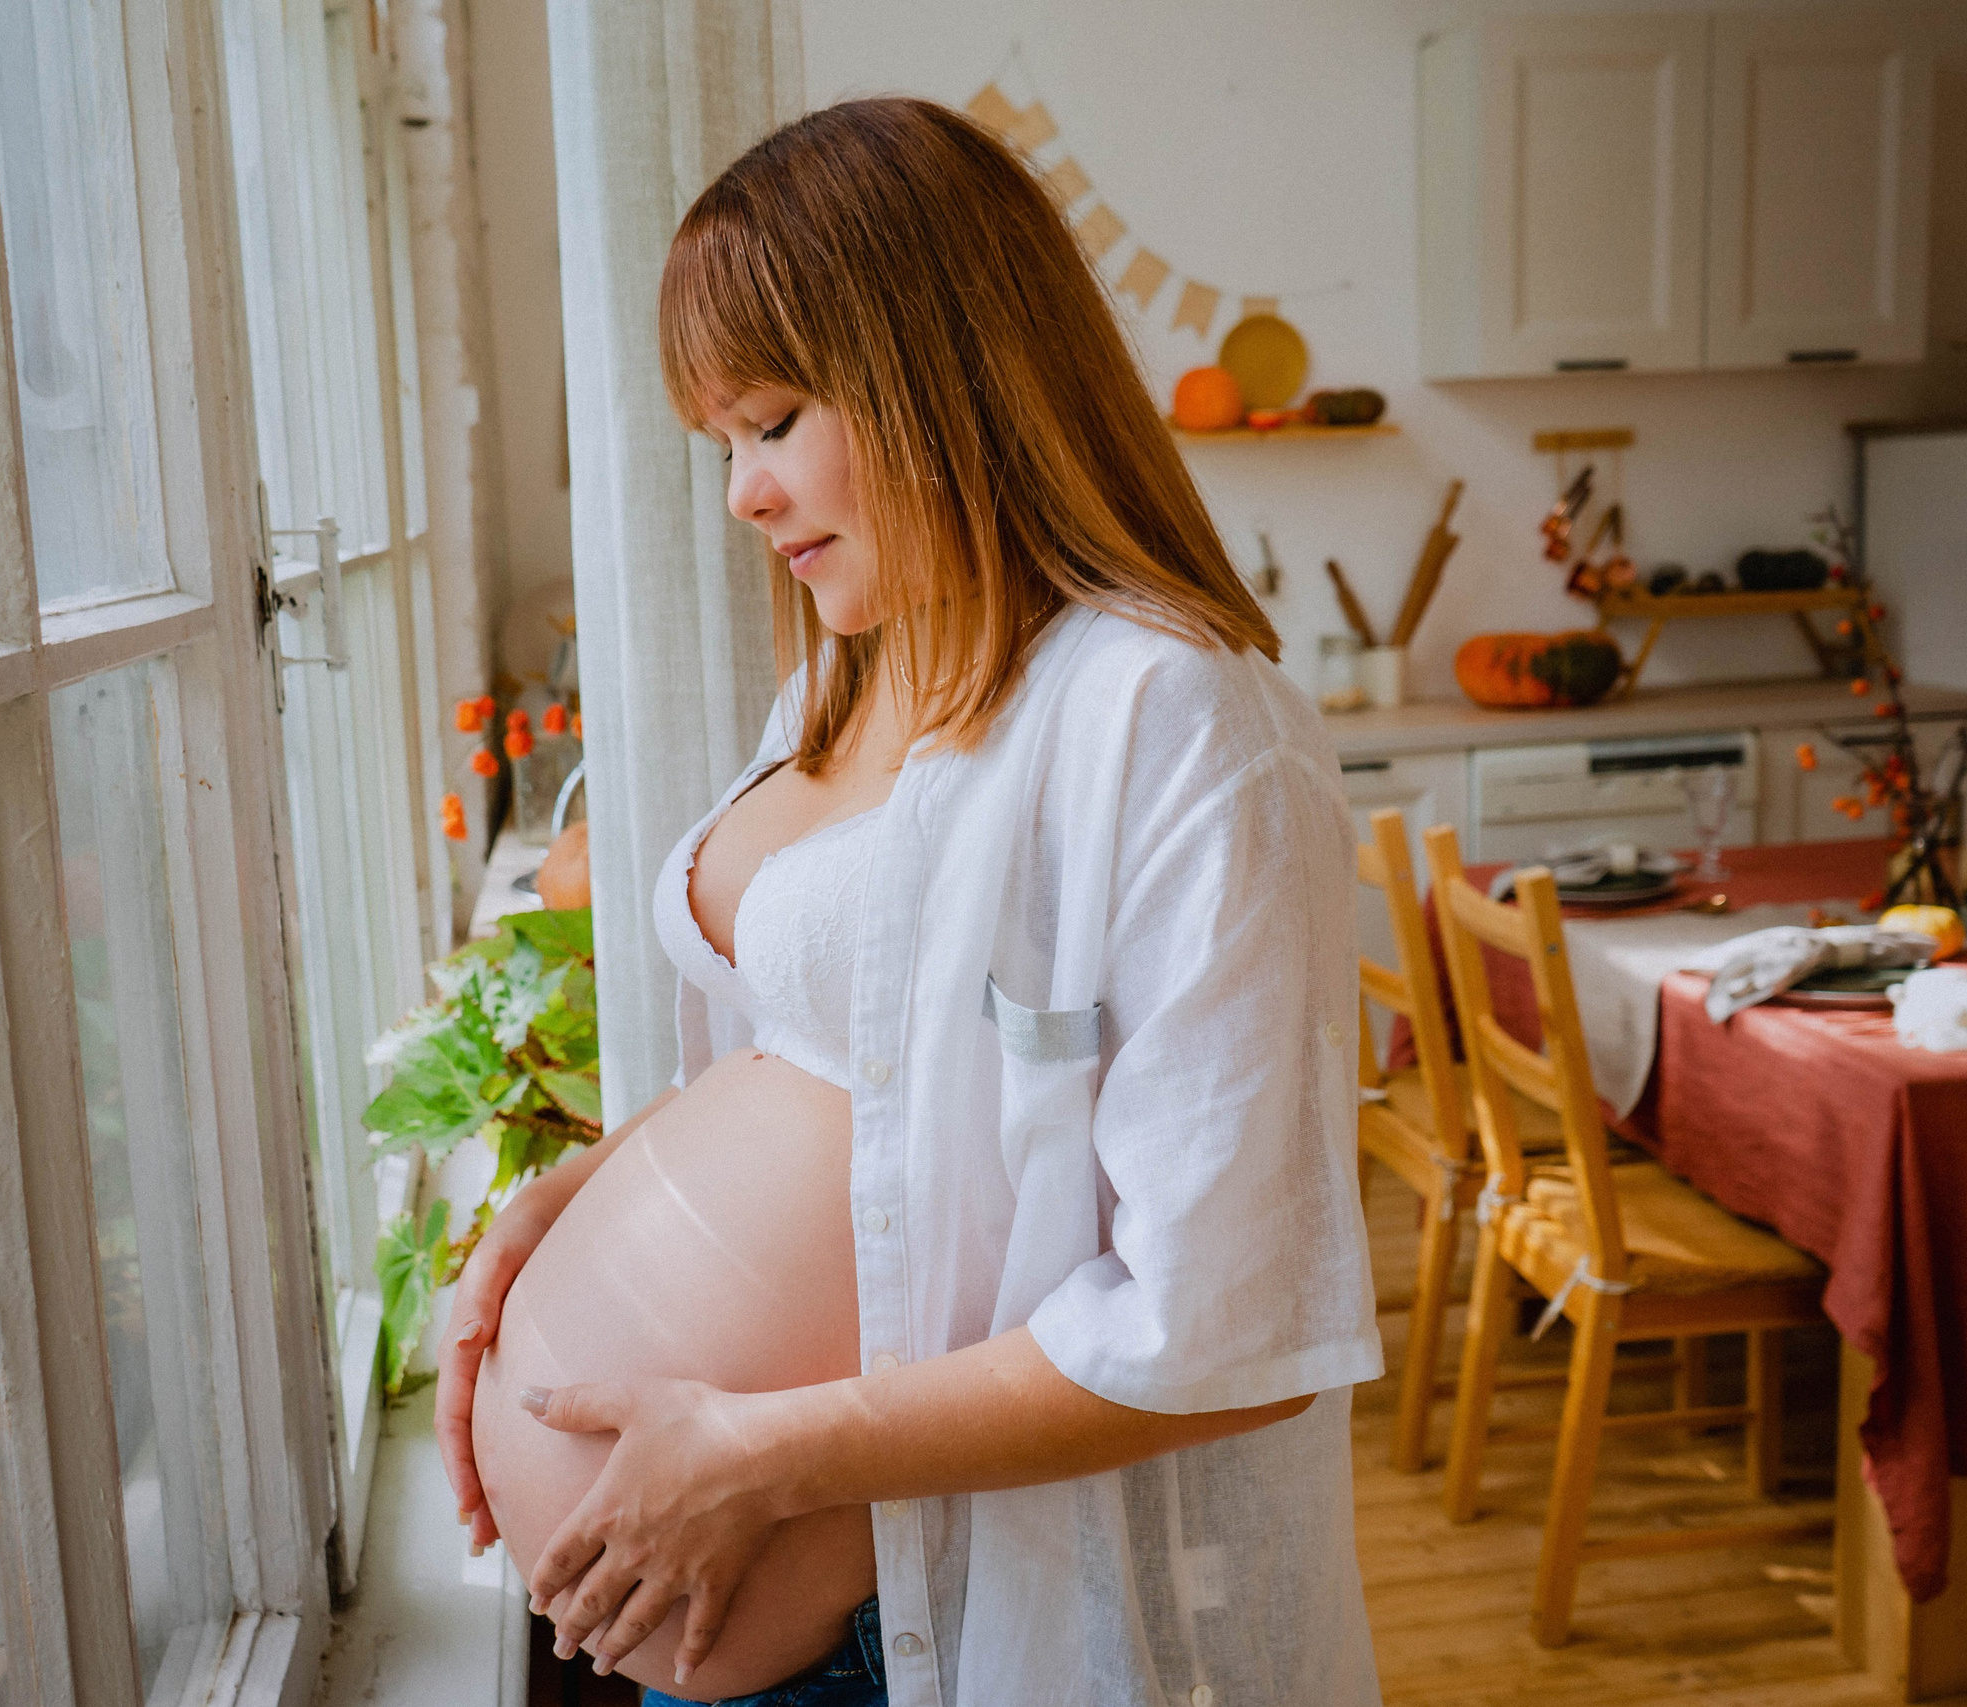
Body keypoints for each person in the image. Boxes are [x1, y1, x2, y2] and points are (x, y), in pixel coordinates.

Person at [436, 95, 1384, 1707]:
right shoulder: (850, 672)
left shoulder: (1173, 721)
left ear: (944, 372)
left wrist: (756, 1452)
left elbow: (1225, 1331)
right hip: (749, 1612)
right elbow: (871, 1093)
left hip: (928, 1630)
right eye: (721, 440)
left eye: (778, 420)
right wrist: (593, 1198)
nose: (742, 492)